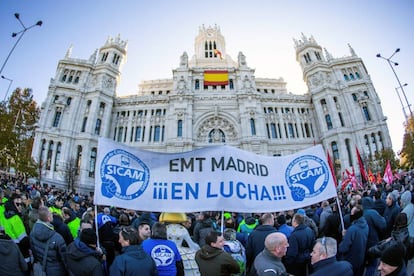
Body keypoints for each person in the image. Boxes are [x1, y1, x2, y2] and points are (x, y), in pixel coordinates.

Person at [30, 206, 68, 276]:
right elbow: (65, 259)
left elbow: (34, 250)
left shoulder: (32, 232)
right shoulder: (57, 238)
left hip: (43, 267)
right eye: (51, 214)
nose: (52, 215)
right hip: (57, 270)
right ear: (48, 218)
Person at [338, 205, 368, 276]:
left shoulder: (352, 229)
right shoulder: (366, 225)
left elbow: (343, 248)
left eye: (351, 213)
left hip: (350, 261)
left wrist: (344, 237)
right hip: (360, 258)